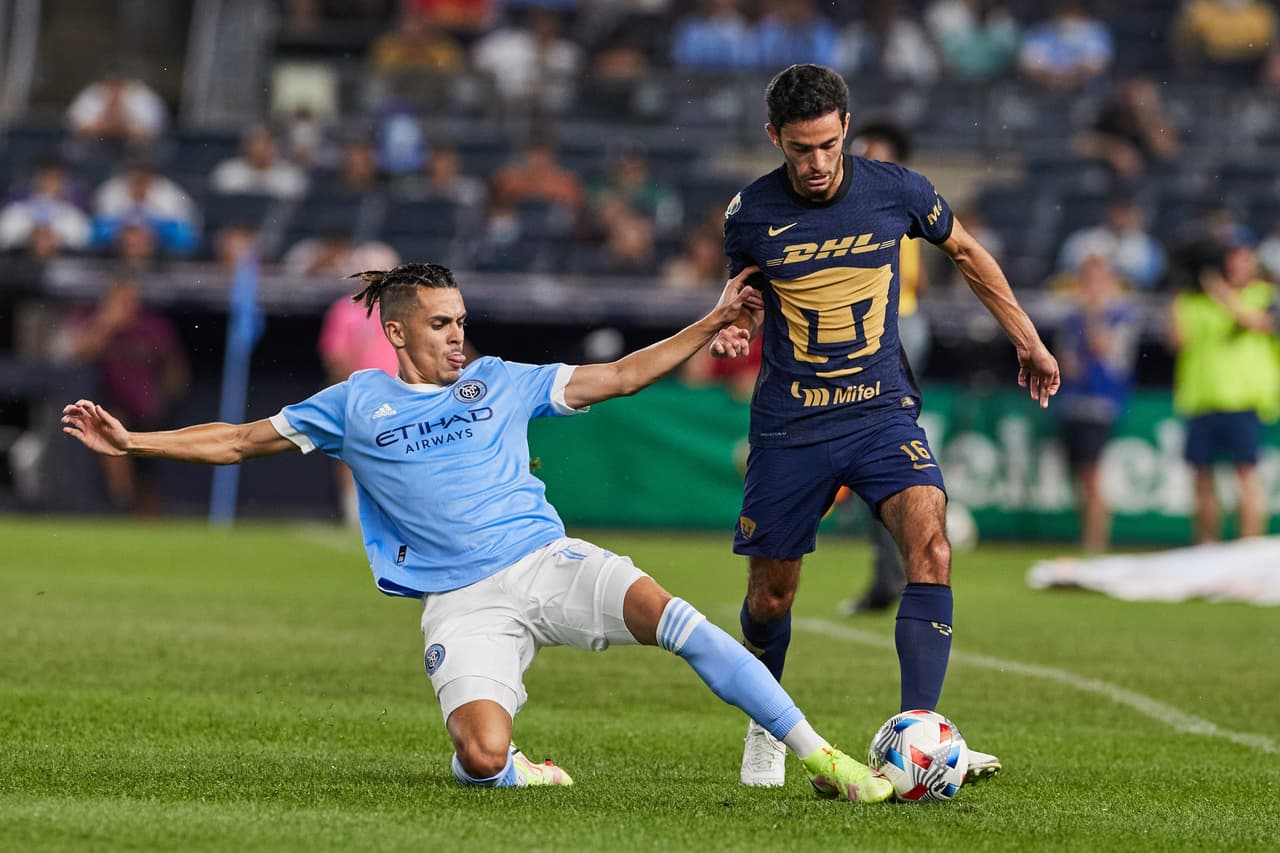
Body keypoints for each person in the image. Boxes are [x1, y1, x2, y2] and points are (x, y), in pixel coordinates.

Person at [61, 261, 895, 802]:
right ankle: (510, 767)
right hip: (462, 601)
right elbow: (241, 440)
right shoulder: (355, 402)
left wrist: (710, 322)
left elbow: (616, 377)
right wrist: (135, 442)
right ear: (396, 332)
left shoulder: (499, 379)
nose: (458, 334)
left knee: (680, 619)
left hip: (546, 559)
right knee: (484, 756)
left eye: (461, 319)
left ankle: (823, 757)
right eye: (440, 323)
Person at [712, 64, 1059, 788]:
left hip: (880, 412)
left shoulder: (898, 190)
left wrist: (1026, 338)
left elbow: (966, 252)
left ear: (846, 127)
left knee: (931, 545)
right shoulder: (750, 213)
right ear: (774, 137)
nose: (817, 163)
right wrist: (736, 326)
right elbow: (744, 296)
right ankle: (767, 721)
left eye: (828, 145)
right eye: (801, 148)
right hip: (792, 424)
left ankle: (922, 736)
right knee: (771, 596)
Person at [1170, 231, 1279, 543]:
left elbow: (1259, 323)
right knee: (1201, 480)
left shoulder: (1265, 294)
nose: (1237, 263)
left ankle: (1249, 550)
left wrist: (1219, 292)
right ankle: (1206, 550)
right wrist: (1178, 290)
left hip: (1243, 401)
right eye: (1231, 256)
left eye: (1243, 256)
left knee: (1246, 477)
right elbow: (1176, 341)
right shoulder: (1194, 300)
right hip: (1201, 399)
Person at [1054, 255, 1140, 552]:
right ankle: (1087, 536)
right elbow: (1066, 361)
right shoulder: (1071, 318)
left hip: (1100, 403)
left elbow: (1103, 347)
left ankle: (1095, 541)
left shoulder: (1118, 317)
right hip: (1073, 401)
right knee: (1079, 475)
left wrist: (1093, 313)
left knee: (1092, 475)